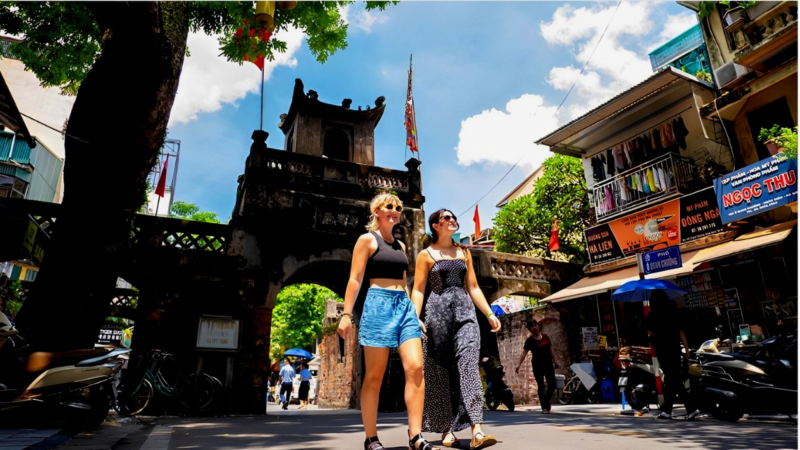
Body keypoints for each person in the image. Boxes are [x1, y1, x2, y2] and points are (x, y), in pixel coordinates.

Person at [338, 192, 435, 450]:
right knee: (375, 376)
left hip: (403, 307)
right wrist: (346, 315)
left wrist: (414, 315)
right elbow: (355, 279)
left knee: (415, 368)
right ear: (376, 212)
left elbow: (405, 284)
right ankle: (371, 438)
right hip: (378, 306)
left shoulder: (401, 246)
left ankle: (416, 436)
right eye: (389, 206)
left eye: (398, 207)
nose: (394, 210)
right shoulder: (367, 240)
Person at [412, 209, 501, 450]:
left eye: (453, 218)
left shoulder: (464, 252)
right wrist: (414, 317)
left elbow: (472, 287)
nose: (452, 220)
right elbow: (419, 289)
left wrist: (489, 313)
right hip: (437, 316)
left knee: (469, 364)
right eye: (446, 218)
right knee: (442, 371)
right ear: (435, 226)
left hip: (465, 312)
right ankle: (447, 428)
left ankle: (477, 430)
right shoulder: (426, 254)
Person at [645, 290, 700, 420]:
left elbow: (651, 334)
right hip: (675, 350)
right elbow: (681, 332)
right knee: (672, 379)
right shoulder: (673, 311)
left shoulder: (653, 315)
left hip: (663, 351)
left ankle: (689, 408)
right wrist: (686, 349)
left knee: (672, 379)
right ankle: (668, 410)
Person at [515, 320, 559, 413]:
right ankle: (544, 407)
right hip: (537, 365)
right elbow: (524, 353)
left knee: (552, 385)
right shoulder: (529, 341)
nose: (534, 327)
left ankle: (546, 402)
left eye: (535, 325)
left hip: (548, 364)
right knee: (541, 385)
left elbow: (551, 350)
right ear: (530, 329)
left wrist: (555, 361)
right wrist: (519, 365)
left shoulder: (546, 337)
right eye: (532, 326)